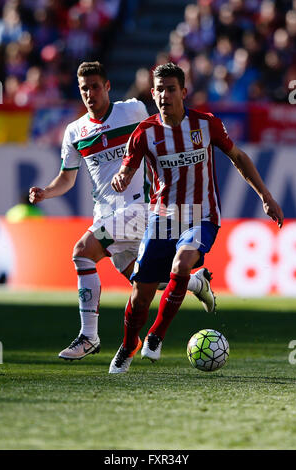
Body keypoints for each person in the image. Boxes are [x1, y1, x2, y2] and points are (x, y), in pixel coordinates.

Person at [29, 61, 210, 362]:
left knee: (82, 251)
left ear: (108, 86)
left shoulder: (133, 111)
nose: (90, 93)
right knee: (144, 281)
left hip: (139, 207)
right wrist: (47, 192)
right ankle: (195, 281)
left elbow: (165, 123)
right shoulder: (75, 131)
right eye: (84, 88)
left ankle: (89, 336)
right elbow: (67, 177)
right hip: (106, 214)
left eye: (96, 86)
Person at [109, 62, 284, 374]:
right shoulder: (144, 134)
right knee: (139, 299)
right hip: (162, 218)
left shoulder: (206, 125)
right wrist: (120, 178)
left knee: (181, 264)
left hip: (201, 215)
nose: (165, 95)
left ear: (183, 92)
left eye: (171, 89)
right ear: (152, 93)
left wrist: (266, 197)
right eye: (159, 90)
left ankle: (156, 337)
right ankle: (128, 345)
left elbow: (239, 158)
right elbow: (126, 169)